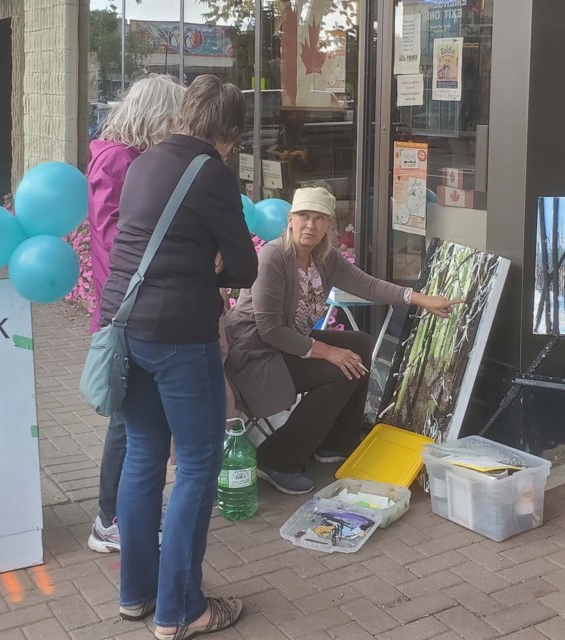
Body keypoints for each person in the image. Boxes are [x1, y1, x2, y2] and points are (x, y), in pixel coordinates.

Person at [99, 74, 257, 640]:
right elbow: (245, 268)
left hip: (127, 326)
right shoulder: (212, 173)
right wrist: (214, 261)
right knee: (196, 465)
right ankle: (182, 610)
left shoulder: (142, 162)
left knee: (142, 456)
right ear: (232, 132)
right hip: (180, 336)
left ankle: (136, 595)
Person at [223, 187, 461, 495]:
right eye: (304, 217)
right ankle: (277, 459)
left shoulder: (325, 258)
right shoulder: (273, 256)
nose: (310, 225)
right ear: (290, 220)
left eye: (319, 219)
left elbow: (368, 286)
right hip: (256, 353)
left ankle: (335, 443)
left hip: (286, 344)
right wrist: (328, 352)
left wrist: (418, 298)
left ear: (328, 226)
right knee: (340, 368)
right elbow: (269, 329)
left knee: (359, 343)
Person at [85, 75, 187, 554]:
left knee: (137, 417)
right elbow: (112, 235)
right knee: (128, 420)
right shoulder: (116, 159)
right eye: (175, 115)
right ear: (157, 114)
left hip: (136, 301)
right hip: (126, 307)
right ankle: (110, 519)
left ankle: (125, 513)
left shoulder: (134, 159)